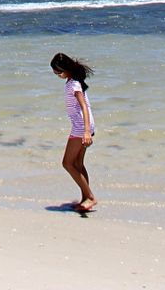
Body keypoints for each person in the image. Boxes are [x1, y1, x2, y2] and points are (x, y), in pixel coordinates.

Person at [51, 51, 96, 211]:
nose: (57, 75)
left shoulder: (75, 84)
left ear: (66, 68)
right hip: (83, 126)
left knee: (67, 163)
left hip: (80, 128)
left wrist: (85, 132)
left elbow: (84, 106)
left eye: (58, 71)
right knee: (78, 163)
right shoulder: (72, 81)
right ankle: (85, 199)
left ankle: (90, 197)